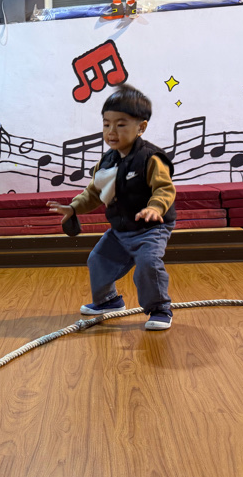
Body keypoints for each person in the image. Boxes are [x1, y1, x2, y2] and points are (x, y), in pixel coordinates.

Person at [48, 84, 176, 330]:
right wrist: (73, 208)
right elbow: (94, 192)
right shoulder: (106, 161)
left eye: (121, 124)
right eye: (106, 124)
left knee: (148, 264)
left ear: (141, 127)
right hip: (121, 228)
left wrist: (155, 208)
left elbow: (164, 189)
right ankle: (109, 301)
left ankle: (160, 309)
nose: (111, 131)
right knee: (98, 259)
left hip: (151, 228)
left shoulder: (151, 158)